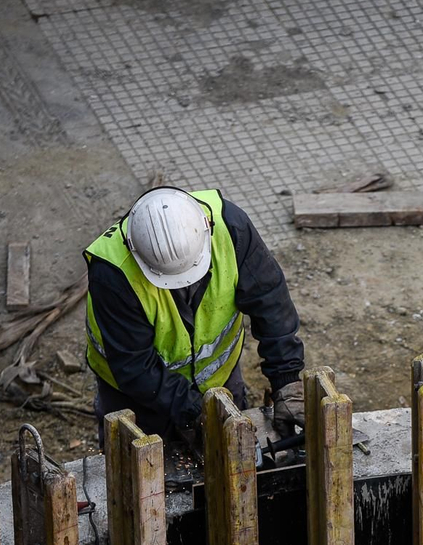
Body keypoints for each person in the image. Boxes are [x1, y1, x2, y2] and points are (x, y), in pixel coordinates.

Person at [83, 186, 306, 446]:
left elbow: (270, 301)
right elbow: (134, 366)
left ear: (206, 227)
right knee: (141, 469)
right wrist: (195, 411)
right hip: (138, 397)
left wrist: (286, 380)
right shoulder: (112, 273)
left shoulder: (230, 227)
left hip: (219, 379)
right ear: (134, 251)